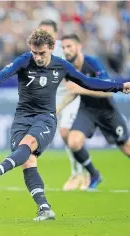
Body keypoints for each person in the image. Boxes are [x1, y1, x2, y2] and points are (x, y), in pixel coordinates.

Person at [0, 29, 130, 221]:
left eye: (42, 53)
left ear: (52, 48)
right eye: (34, 53)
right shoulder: (24, 60)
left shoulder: (61, 66)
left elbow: (88, 82)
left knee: (27, 144)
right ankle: (44, 208)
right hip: (21, 118)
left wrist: (119, 86)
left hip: (45, 118)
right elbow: (4, 73)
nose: (37, 57)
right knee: (28, 161)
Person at [59, 34, 130, 190]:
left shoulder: (93, 63)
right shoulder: (67, 69)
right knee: (73, 142)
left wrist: (80, 89)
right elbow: (71, 93)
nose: (66, 50)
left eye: (69, 46)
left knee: (126, 147)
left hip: (106, 111)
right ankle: (94, 174)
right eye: (63, 47)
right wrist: (57, 109)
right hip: (87, 110)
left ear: (79, 47)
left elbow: (107, 91)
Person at [39, 19, 89, 191]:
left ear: (55, 34)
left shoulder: (64, 50)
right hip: (53, 101)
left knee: (66, 131)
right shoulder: (37, 52)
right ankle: (81, 172)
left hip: (71, 97)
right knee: (65, 136)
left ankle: (79, 173)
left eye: (48, 32)